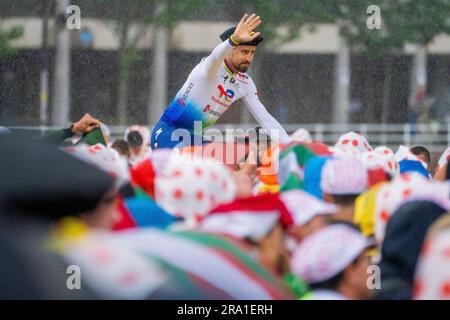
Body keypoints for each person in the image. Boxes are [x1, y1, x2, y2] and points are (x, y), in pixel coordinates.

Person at [151, 13, 291, 150]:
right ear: (230, 51)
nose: (249, 58)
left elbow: (265, 118)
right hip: (168, 134)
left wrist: (291, 146)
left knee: (236, 158)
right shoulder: (209, 68)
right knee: (225, 156)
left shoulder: (245, 83)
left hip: (194, 139)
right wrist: (232, 40)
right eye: (244, 52)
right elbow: (215, 56)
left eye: (252, 53)